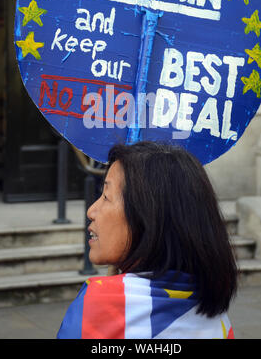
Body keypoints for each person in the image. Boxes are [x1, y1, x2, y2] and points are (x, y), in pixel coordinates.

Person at [57, 141, 237, 339]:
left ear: (147, 217)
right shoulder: (218, 320)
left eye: (106, 196)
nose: (92, 211)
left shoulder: (99, 303)